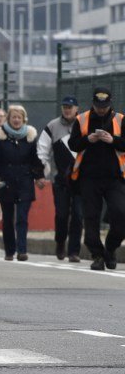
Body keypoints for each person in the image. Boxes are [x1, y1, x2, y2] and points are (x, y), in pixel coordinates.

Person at [68, 87, 125, 271]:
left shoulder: (120, 119)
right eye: (99, 106)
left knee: (120, 213)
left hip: (114, 177)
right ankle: (97, 255)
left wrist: (113, 140)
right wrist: (88, 139)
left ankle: (110, 248)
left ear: (110, 103)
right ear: (93, 103)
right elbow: (73, 144)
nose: (102, 109)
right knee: (91, 217)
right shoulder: (82, 119)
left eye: (105, 106)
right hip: (89, 177)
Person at [0, 105, 46, 261]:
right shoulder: (0, 137)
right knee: (7, 218)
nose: (16, 120)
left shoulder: (30, 136)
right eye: (13, 117)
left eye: (19, 117)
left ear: (24, 119)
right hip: (5, 181)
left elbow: (36, 159)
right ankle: (9, 251)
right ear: (9, 119)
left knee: (22, 218)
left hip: (25, 181)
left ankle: (22, 250)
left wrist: (39, 176)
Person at [37, 95, 83, 263]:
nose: (67, 109)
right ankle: (60, 241)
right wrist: (40, 174)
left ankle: (74, 251)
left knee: (78, 215)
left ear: (77, 109)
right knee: (62, 215)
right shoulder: (52, 126)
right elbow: (42, 151)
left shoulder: (85, 124)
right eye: (64, 107)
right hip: (62, 180)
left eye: (70, 107)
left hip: (81, 179)